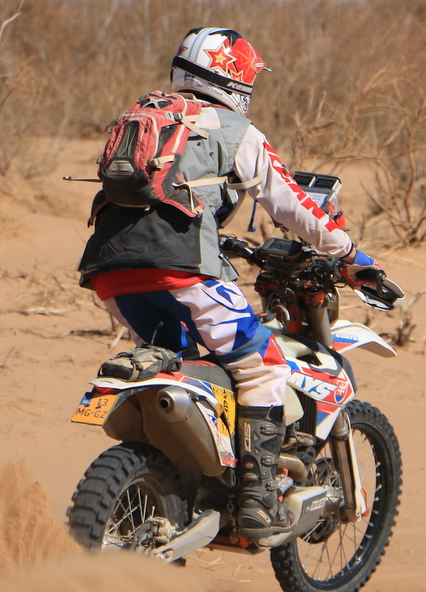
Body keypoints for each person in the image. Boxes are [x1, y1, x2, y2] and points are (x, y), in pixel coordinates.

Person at [78, 27, 385, 538]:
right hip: (184, 269)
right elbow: (291, 203)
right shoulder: (235, 129)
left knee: (183, 364)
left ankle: (178, 493)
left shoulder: (144, 115)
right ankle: (256, 501)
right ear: (233, 77)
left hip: (111, 271)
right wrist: (351, 255)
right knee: (262, 364)